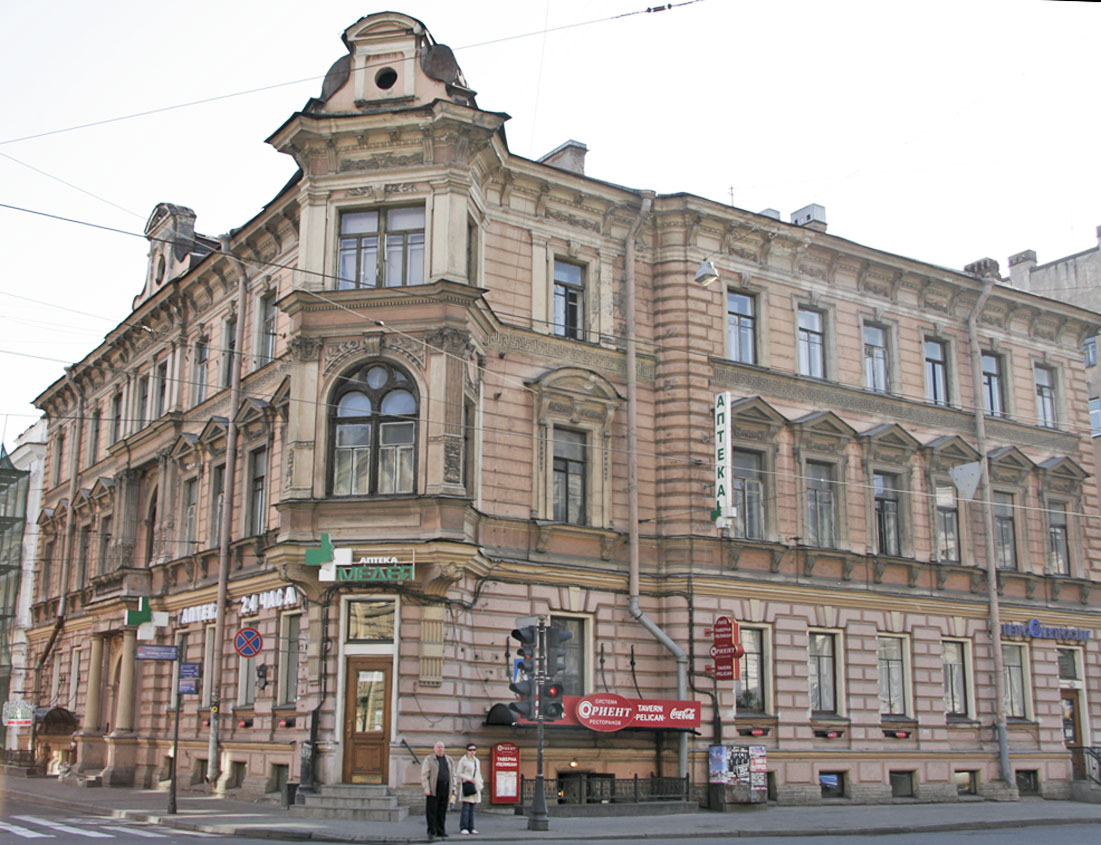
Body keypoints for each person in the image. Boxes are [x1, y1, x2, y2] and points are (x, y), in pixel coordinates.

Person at [420, 741, 457, 839]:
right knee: (432, 811)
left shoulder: (449, 759)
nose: (440, 749)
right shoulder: (429, 759)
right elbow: (424, 775)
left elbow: (453, 774)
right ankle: (432, 831)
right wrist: (426, 788)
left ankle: (441, 830)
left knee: (442, 810)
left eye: (442, 747)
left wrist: (454, 787)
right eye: (438, 747)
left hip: (446, 787)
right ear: (434, 749)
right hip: (434, 788)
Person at [456, 743, 483, 835]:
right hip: (467, 785)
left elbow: (479, 773)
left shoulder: (477, 761)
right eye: (470, 750)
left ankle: (471, 827)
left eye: (474, 750)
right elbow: (459, 773)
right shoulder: (463, 760)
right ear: (467, 751)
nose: (472, 752)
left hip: (475, 786)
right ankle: (464, 827)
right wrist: (468, 778)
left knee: (472, 808)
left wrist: (480, 784)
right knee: (466, 807)